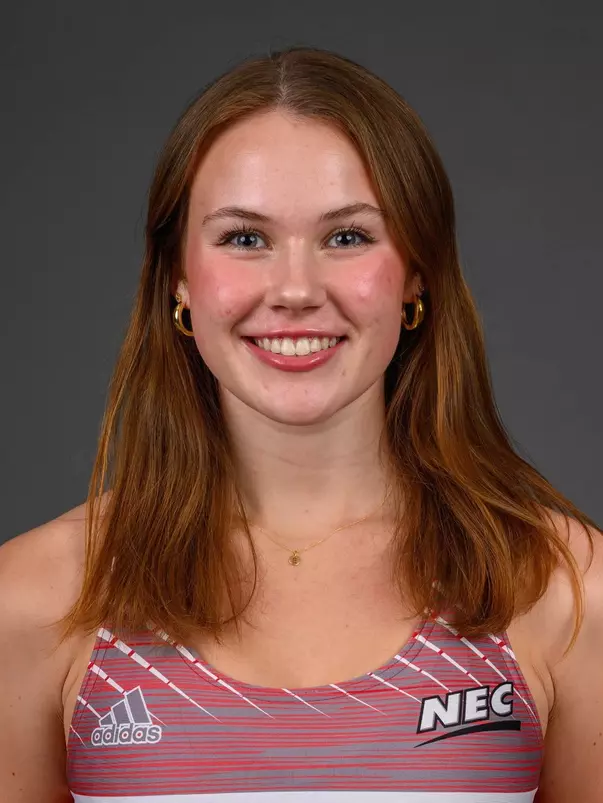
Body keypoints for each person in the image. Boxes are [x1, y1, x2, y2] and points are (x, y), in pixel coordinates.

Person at [0, 46, 601, 803]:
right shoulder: (33, 601)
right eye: (244, 238)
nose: (292, 289)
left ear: (415, 274)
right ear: (178, 280)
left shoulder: (567, 592)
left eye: (346, 236)